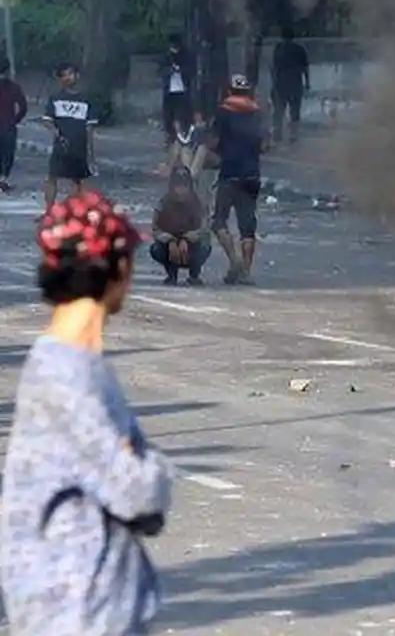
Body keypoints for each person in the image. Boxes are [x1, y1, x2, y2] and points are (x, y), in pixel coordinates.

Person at [1, 190, 173, 635]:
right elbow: (138, 493)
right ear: (116, 269)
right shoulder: (66, 374)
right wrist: (149, 468)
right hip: (75, 605)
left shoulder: (74, 362)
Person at [210, 74, 267, 285]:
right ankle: (246, 272)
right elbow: (264, 145)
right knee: (247, 226)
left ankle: (235, 262)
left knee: (218, 221)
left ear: (230, 92)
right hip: (252, 175)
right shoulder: (257, 113)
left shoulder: (223, 112)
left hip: (229, 174)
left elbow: (214, 143)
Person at [42, 63, 96, 214]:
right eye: (64, 75)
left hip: (80, 144)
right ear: (60, 79)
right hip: (61, 145)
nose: (68, 77)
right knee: (52, 177)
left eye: (71, 74)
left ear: (77, 76)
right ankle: (48, 211)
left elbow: (90, 127)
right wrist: (56, 132)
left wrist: (91, 152)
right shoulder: (55, 98)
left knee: (79, 180)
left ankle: (78, 212)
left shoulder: (86, 100)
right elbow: (47, 120)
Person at [150, 165, 211, 286]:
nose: (181, 190)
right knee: (156, 249)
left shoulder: (198, 203)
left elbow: (205, 228)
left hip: (192, 246)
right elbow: (154, 229)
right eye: (177, 186)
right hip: (170, 245)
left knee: (205, 245)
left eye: (184, 186)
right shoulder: (164, 203)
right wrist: (170, 240)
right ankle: (171, 275)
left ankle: (194, 275)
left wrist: (187, 239)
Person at [270, 26, 310, 145]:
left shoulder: (279, 48)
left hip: (282, 83)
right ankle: (292, 134)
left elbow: (274, 67)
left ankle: (280, 133)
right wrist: (307, 82)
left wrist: (274, 81)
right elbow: (306, 68)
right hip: (294, 82)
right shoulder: (299, 49)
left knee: (280, 109)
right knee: (293, 110)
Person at [159, 33, 194, 147]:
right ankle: (170, 136)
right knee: (169, 114)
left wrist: (180, 69)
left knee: (180, 114)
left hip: (182, 89)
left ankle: (181, 135)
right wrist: (170, 70)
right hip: (169, 89)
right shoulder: (166, 55)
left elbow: (190, 70)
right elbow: (161, 70)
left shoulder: (186, 54)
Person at [0, 57, 28, 191]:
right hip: (8, 126)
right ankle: (3, 179)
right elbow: (23, 107)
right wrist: (15, 120)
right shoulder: (14, 87)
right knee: (7, 154)